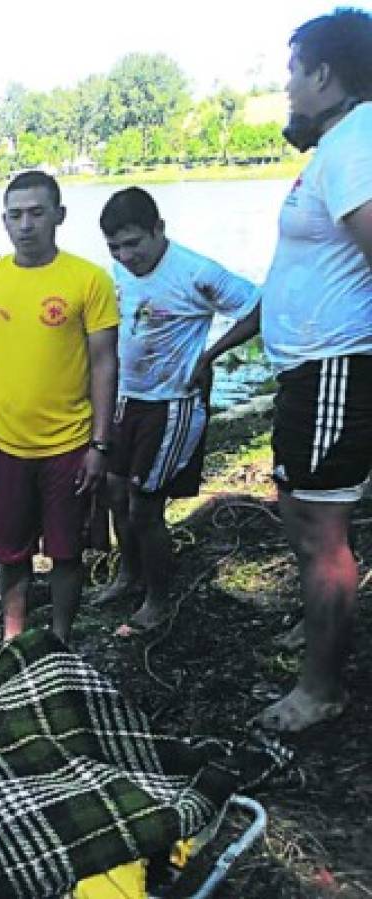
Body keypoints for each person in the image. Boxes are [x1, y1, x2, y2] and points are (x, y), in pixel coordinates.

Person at [245, 8, 372, 733]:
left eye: (294, 69)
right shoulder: (338, 145)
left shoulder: (356, 142)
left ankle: (321, 687)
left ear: (324, 72)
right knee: (303, 519)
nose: (287, 84)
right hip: (307, 371)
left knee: (322, 532)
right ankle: (317, 634)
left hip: (334, 369)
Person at [0, 171, 119, 644]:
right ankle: (13, 640)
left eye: (37, 213)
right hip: (3, 443)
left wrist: (100, 442)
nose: (26, 225)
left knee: (65, 552)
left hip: (70, 443)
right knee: (9, 553)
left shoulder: (88, 279)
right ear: (4, 221)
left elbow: (104, 363)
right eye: (16, 215)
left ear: (58, 216)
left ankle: (60, 639)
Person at [98, 187, 260, 629]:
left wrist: (209, 354)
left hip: (171, 404)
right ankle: (127, 574)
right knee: (114, 492)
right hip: (127, 398)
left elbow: (257, 307)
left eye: (134, 243)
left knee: (145, 506)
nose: (126, 255)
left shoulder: (196, 272)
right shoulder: (118, 270)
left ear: (159, 229)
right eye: (115, 246)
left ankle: (158, 598)